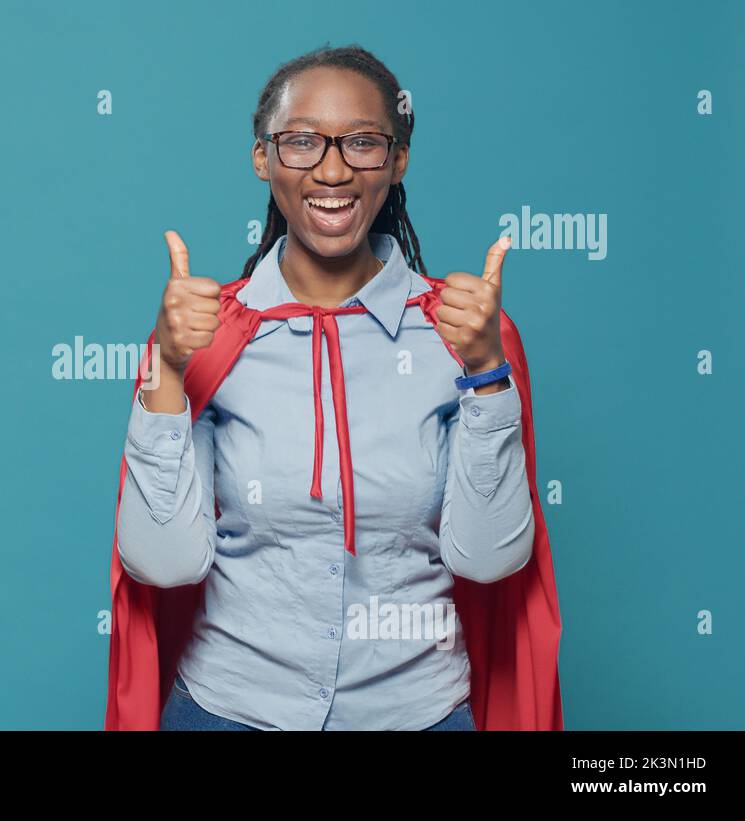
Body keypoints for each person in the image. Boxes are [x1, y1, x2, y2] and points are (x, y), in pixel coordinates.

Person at [113, 44, 535, 731]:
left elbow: (489, 561)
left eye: (364, 143)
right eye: (302, 141)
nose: (333, 169)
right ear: (263, 157)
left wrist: (486, 374)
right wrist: (165, 365)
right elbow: (163, 565)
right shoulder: (207, 334)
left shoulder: (461, 331)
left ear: (397, 160)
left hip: (417, 713)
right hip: (230, 710)